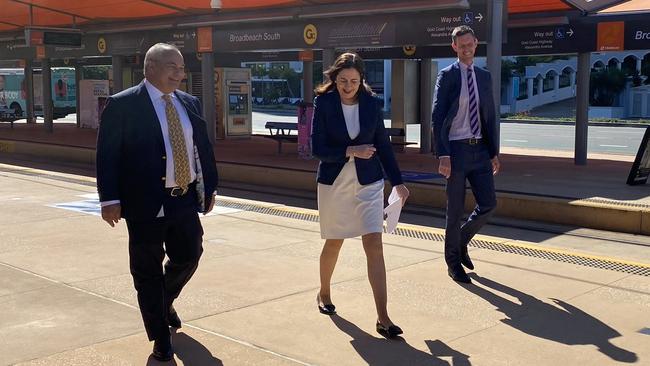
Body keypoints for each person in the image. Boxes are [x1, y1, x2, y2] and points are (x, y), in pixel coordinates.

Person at [96, 43, 218, 361]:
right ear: (150, 68)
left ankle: (163, 302)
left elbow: (201, 147)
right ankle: (160, 336)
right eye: (172, 67)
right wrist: (109, 199)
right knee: (147, 270)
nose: (180, 74)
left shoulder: (189, 102)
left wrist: (210, 187)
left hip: (184, 198)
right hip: (144, 202)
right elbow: (107, 154)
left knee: (190, 254)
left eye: (181, 68)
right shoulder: (123, 105)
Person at [311, 52, 410, 338]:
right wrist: (349, 151)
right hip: (334, 182)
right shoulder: (324, 103)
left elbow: (383, 145)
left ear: (361, 80)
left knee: (374, 243)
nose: (348, 86)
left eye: (354, 81)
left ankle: (383, 317)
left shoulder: (371, 104)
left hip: (369, 182)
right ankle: (324, 293)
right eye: (343, 80)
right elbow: (316, 148)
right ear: (334, 79)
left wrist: (398, 182)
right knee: (335, 241)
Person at [432, 25, 500, 284]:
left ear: (476, 43)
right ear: (454, 47)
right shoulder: (447, 75)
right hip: (457, 150)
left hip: (481, 149)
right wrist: (443, 154)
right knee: (455, 210)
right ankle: (452, 262)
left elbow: (490, 116)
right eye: (461, 45)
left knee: (489, 204)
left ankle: (460, 241)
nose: (466, 48)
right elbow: (437, 117)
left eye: (469, 44)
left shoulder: (484, 76)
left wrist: (493, 152)